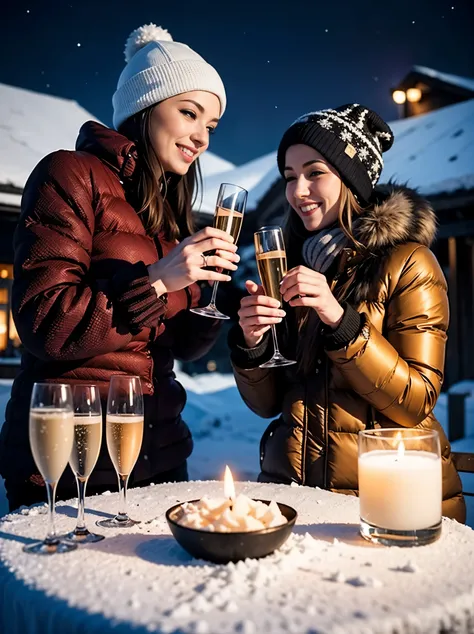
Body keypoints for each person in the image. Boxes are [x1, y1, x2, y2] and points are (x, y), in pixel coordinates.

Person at [0, 23, 240, 512]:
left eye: (210, 126)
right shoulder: (67, 173)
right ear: (145, 106)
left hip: (159, 452)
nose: (201, 138)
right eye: (189, 113)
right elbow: (44, 322)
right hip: (71, 457)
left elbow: (182, 346)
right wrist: (157, 282)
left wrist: (209, 296)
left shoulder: (168, 211)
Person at [229, 104, 465, 522]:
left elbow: (416, 401)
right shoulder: (293, 264)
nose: (298, 190)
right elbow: (268, 405)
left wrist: (341, 320)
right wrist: (253, 344)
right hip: (295, 499)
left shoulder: (410, 263)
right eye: (289, 177)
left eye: (314, 172)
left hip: (390, 503)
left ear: (352, 180)